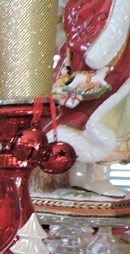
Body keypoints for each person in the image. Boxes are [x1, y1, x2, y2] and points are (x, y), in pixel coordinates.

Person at [51, 0, 130, 198]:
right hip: (91, 70)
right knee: (78, 119)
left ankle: (98, 177)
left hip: (119, 69)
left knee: (111, 121)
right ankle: (69, 173)